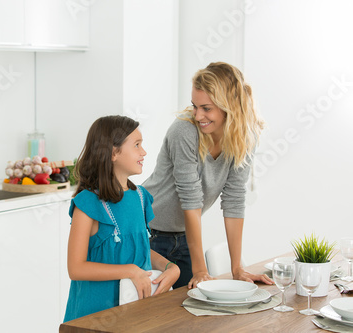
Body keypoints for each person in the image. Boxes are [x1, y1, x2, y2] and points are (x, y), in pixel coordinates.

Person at [143, 62, 273, 289]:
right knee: (149, 317)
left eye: (206, 108)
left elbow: (234, 199)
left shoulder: (246, 137)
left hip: (183, 235)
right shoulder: (184, 131)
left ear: (229, 107)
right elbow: (191, 200)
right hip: (146, 231)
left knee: (190, 313)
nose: (198, 115)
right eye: (195, 106)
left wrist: (237, 269)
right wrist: (200, 269)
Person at [63, 115, 180, 322]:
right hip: (94, 317)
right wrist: (130, 271)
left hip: (135, 313)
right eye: (136, 145)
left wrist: (170, 267)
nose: (143, 152)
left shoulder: (141, 197)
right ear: (113, 152)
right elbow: (76, 268)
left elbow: (137, 246)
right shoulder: (87, 204)